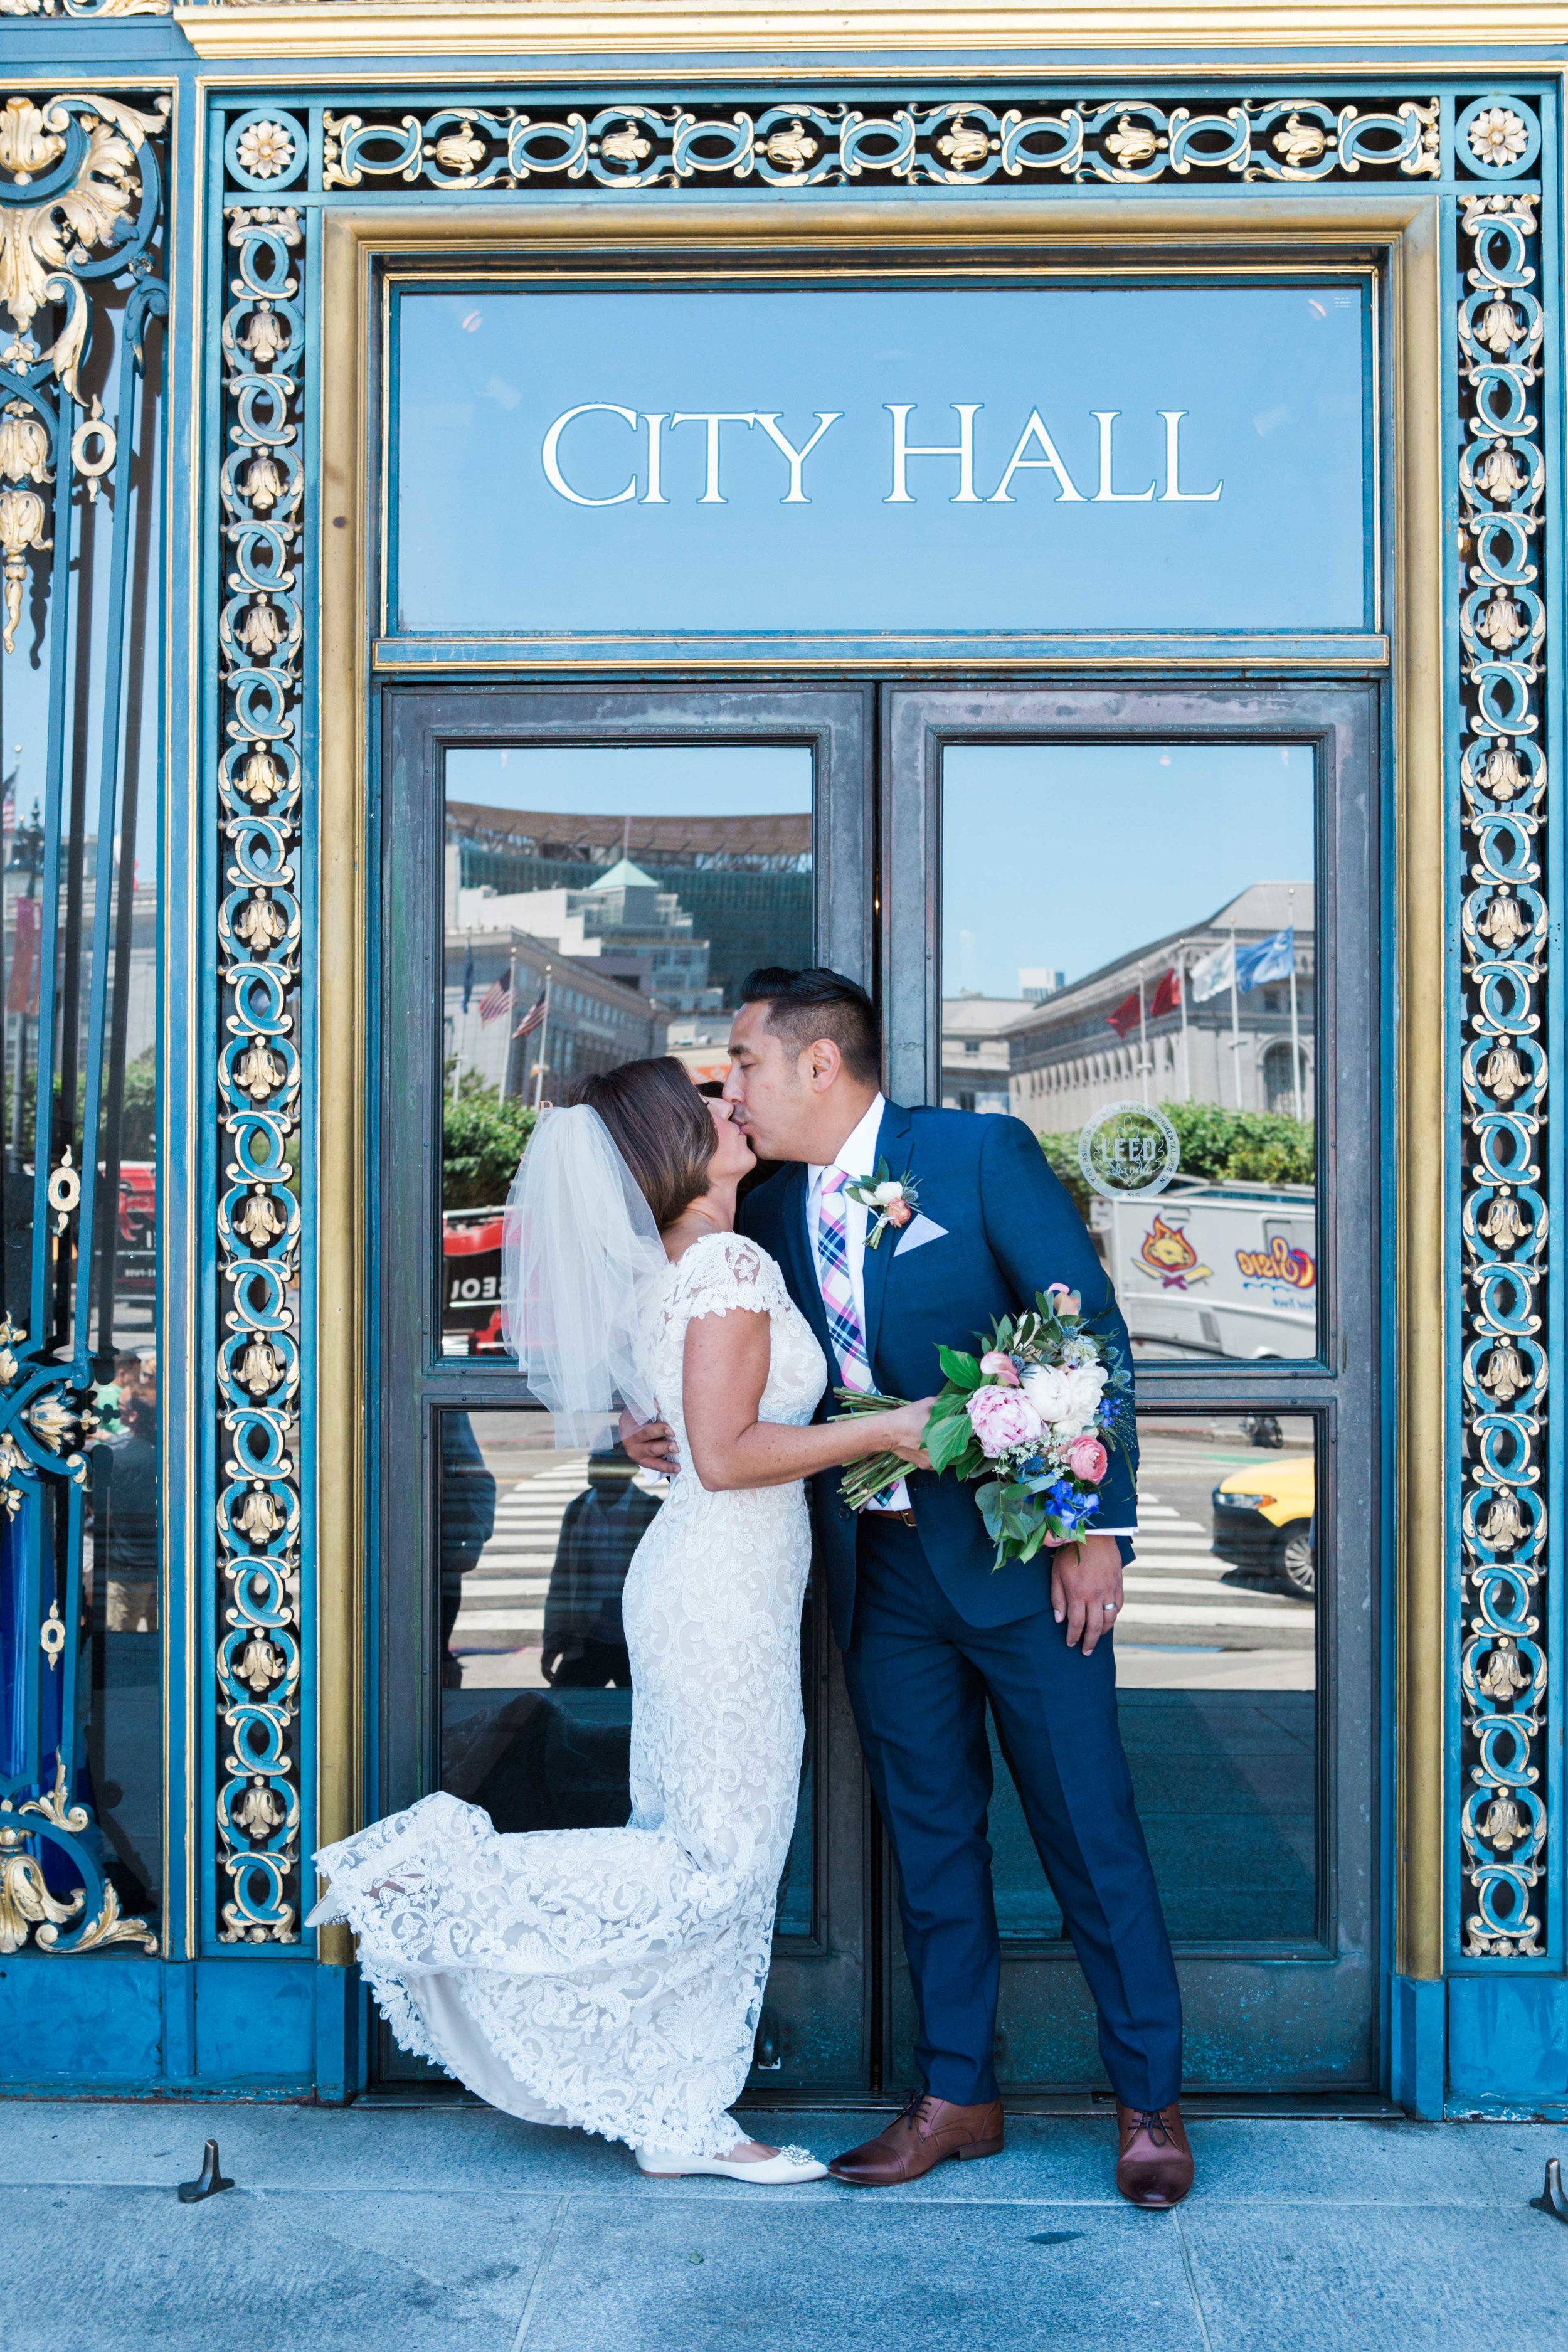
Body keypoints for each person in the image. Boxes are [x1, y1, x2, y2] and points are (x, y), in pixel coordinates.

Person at [623, 968, 1193, 2208]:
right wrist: (657, 1424)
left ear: (819, 1065)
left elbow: (1082, 1333)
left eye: (743, 1064)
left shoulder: (976, 1155)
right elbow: (734, 1371)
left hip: (1017, 1564)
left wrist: (1088, 1529)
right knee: (930, 1851)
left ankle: (1147, 2104)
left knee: (1089, 1839)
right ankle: (955, 2099)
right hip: (872, 1576)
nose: (730, 1089)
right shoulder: (761, 1209)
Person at [309, 1056, 932, 2181]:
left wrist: (671, 1435)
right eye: (706, 1102)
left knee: (707, 1849)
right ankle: (433, 1877)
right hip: (719, 1589)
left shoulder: (685, 1267)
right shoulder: (729, 1263)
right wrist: (890, 1430)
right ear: (669, 1147)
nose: (731, 1102)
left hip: (712, 1580)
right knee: (716, 1858)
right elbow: (732, 1452)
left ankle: (682, 2111)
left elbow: (687, 1430)